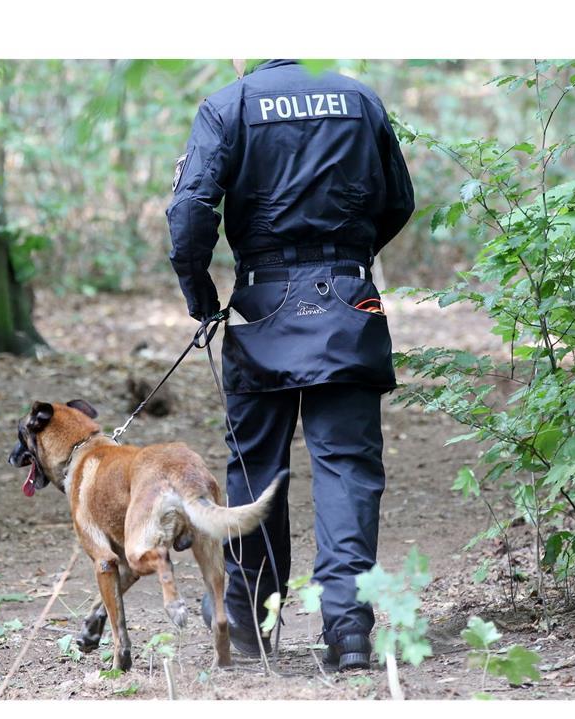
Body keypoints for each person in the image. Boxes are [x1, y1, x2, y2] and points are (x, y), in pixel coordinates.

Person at [165, 59, 414, 671]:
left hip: (260, 306)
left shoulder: (230, 104)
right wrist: (346, 257)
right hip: (348, 305)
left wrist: (202, 300)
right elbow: (399, 200)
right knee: (348, 469)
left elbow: (190, 214)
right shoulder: (359, 100)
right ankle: (350, 630)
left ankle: (249, 616)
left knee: (255, 465)